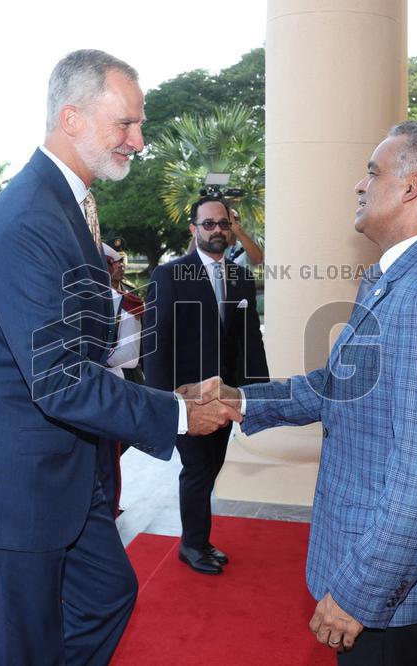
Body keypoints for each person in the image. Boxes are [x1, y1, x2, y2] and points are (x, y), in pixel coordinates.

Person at [0, 49, 238, 665]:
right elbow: (61, 379)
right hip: (11, 483)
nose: (138, 140)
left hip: (63, 469)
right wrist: (174, 413)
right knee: (22, 648)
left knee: (107, 595)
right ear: (71, 118)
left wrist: (165, 393)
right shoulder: (29, 219)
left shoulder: (68, 204)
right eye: (126, 124)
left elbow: (82, 346)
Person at [184, 121, 417, 664]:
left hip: (394, 594)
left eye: (373, 172)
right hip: (374, 560)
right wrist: (242, 400)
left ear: (412, 187)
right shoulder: (398, 279)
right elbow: (338, 386)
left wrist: (360, 593)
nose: (359, 185)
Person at [145, 195, 269, 575]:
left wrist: (257, 394)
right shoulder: (169, 276)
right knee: (198, 469)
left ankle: (199, 540)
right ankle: (192, 545)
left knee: (212, 465)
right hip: (188, 397)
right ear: (194, 230)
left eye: (223, 224)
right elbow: (156, 341)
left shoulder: (241, 277)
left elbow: (250, 339)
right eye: (209, 224)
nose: (217, 230)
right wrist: (164, 400)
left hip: (227, 395)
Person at [96, 242, 144, 516]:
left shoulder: (123, 303)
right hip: (74, 390)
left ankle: (107, 511)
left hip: (107, 390)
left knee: (106, 458)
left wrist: (92, 357)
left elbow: (130, 357)